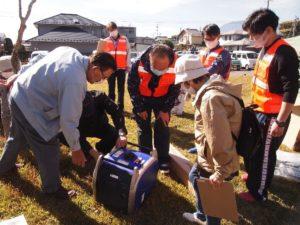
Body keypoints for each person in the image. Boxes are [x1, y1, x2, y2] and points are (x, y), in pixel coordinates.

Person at [0, 47, 116, 199]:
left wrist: (20, 75)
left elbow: (39, 58)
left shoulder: (71, 51)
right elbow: (68, 121)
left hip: (18, 94)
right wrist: (76, 149)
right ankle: (52, 189)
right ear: (95, 68)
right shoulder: (75, 82)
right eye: (102, 77)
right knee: (49, 146)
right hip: (30, 105)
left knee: (17, 136)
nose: (101, 81)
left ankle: (4, 168)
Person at [239, 9, 299, 202]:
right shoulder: (265, 48)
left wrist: (280, 122)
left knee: (264, 156)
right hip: (258, 111)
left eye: (253, 34)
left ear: (269, 30)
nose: (251, 38)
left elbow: (291, 91)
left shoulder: (285, 52)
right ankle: (254, 178)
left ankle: (259, 192)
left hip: (273, 117)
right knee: (252, 148)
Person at [174, 55, 242, 225]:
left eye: (184, 83)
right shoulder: (212, 88)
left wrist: (220, 172)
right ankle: (202, 214)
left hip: (216, 159)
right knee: (194, 177)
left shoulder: (209, 99)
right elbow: (210, 131)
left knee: (211, 194)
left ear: (190, 81)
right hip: (208, 153)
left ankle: (209, 220)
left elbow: (220, 138)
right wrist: (198, 147)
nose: (183, 87)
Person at [128, 44, 180, 173]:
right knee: (143, 127)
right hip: (143, 98)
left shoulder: (177, 63)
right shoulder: (138, 62)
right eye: (156, 68)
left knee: (162, 128)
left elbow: (175, 89)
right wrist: (139, 107)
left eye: (163, 68)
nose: (159, 71)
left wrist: (165, 110)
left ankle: (163, 159)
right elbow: (132, 85)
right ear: (149, 58)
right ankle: (145, 157)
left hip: (163, 99)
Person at [188, 24, 232, 153]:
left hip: (215, 92)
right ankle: (200, 144)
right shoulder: (203, 51)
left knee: (211, 121)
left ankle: (210, 146)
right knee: (200, 119)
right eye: (206, 39)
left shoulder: (223, 54)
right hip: (200, 90)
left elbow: (214, 68)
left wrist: (196, 78)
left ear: (218, 36)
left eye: (211, 38)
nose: (208, 41)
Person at [58, 90, 127, 160]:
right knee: (65, 136)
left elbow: (116, 111)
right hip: (79, 130)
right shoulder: (68, 109)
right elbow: (65, 132)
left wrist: (121, 134)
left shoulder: (100, 96)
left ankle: (100, 149)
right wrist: (90, 151)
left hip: (98, 125)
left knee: (114, 134)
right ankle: (87, 153)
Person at [98, 22, 131, 111]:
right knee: (111, 88)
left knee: (121, 89)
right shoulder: (105, 41)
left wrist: (128, 65)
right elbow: (101, 55)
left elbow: (128, 52)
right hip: (110, 69)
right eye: (110, 30)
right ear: (108, 31)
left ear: (117, 29)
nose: (112, 32)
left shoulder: (124, 39)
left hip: (121, 68)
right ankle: (111, 106)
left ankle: (120, 107)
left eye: (114, 29)